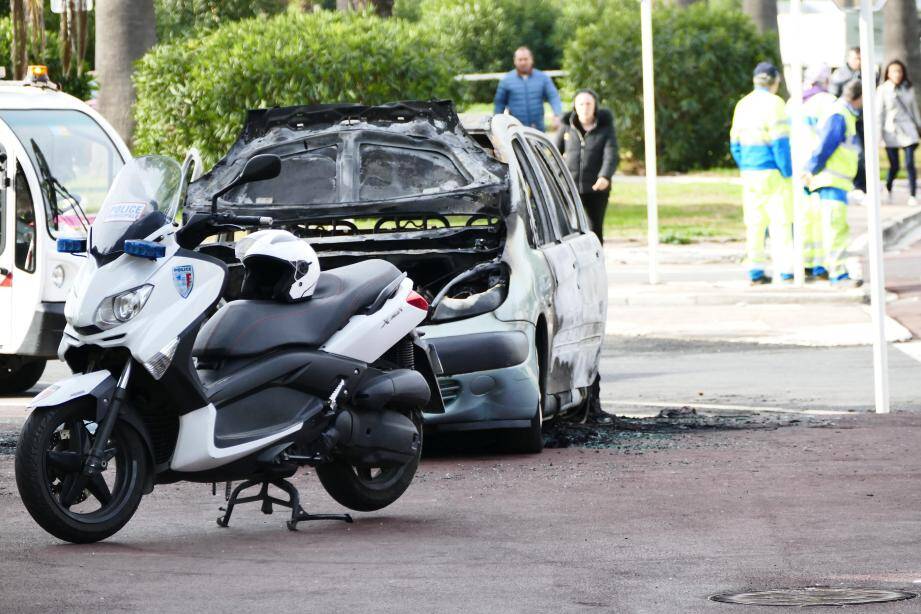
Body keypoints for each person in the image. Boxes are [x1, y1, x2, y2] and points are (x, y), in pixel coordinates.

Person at [730, 62, 794, 284]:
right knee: (781, 222)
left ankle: (755, 270)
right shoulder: (776, 104)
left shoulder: (742, 104)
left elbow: (734, 143)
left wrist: (745, 164)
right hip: (773, 170)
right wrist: (787, 172)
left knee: (755, 223)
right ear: (775, 81)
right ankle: (785, 270)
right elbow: (780, 143)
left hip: (750, 170)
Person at [803, 79, 863, 288]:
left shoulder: (841, 113)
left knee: (830, 227)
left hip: (833, 179)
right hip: (831, 179)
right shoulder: (839, 114)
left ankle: (827, 268)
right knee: (835, 228)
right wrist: (811, 169)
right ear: (859, 97)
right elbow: (826, 146)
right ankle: (837, 273)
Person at [554, 89, 619, 241]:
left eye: (589, 103)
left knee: (594, 228)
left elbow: (611, 154)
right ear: (575, 107)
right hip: (568, 186)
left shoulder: (605, 128)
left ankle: (596, 261)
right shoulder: (566, 127)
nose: (585, 107)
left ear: (595, 106)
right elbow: (554, 154)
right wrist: (557, 177)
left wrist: (605, 176)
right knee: (565, 229)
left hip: (596, 187)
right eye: (581, 104)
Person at [798, 65, 838, 280]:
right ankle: (822, 265)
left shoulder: (795, 102)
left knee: (805, 218)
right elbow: (829, 138)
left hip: (798, 166)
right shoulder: (828, 103)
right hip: (820, 169)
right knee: (824, 220)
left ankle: (804, 262)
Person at [877, 59, 921, 207]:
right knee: (894, 166)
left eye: (899, 71)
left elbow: (914, 110)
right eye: (893, 71)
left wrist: (919, 126)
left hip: (908, 130)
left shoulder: (908, 88)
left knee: (909, 163)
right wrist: (878, 135)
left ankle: (913, 194)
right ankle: (888, 186)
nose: (897, 74)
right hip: (891, 131)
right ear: (888, 73)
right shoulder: (883, 89)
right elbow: (879, 114)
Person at [493, 46, 563, 132]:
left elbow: (553, 96)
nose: (523, 62)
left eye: (525, 59)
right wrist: (497, 124)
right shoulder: (506, 80)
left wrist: (557, 115)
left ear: (531, 60)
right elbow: (499, 104)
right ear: (515, 61)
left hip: (537, 129)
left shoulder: (543, 78)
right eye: (520, 59)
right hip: (515, 130)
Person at [831, 47, 868, 193]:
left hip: (862, 119)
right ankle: (858, 185)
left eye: (860, 58)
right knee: (857, 153)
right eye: (855, 58)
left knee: (865, 153)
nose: (858, 62)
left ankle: (863, 185)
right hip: (847, 119)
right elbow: (833, 96)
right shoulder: (840, 75)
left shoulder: (867, 74)